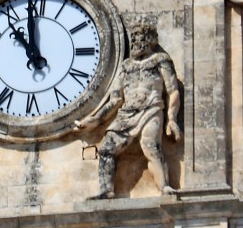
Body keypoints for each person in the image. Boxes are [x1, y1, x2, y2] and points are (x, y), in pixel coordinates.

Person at [76, 21, 182, 198]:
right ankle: (106, 190)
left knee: (150, 146)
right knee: (106, 149)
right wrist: (93, 120)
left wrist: (171, 118)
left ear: (150, 40)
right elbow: (115, 100)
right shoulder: (126, 66)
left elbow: (172, 91)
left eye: (140, 38)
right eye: (133, 38)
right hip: (126, 114)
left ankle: (164, 187)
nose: (135, 42)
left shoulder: (160, 60)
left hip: (151, 109)